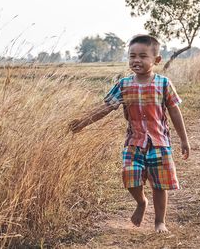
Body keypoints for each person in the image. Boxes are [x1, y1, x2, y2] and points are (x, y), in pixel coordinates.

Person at [69, 34, 190, 233]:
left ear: (156, 60)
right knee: (130, 176)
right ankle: (141, 202)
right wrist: (82, 123)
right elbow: (105, 108)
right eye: (132, 56)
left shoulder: (163, 84)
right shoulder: (124, 85)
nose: (136, 60)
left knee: (159, 185)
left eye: (143, 56)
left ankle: (160, 221)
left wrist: (184, 140)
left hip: (159, 143)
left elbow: (175, 111)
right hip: (134, 142)